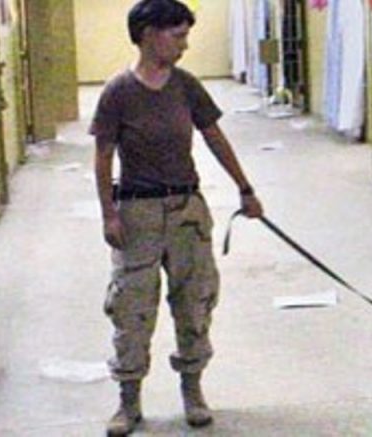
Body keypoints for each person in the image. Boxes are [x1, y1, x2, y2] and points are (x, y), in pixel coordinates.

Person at [90, 1, 263, 435]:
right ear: (149, 34)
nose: (185, 45)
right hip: (138, 212)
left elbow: (214, 136)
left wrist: (245, 189)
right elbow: (103, 156)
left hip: (186, 208)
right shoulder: (118, 92)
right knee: (131, 309)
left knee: (194, 302)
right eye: (178, 35)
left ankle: (193, 390)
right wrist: (109, 214)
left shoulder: (186, 86)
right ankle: (128, 401)